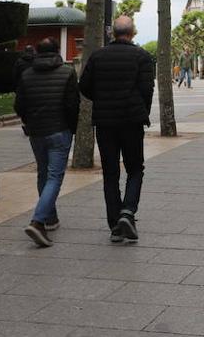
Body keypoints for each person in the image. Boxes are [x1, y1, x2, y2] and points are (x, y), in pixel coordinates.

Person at [79, 15, 154, 243]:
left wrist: (101, 99)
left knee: (110, 173)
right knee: (135, 168)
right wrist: (141, 111)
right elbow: (146, 90)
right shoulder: (142, 56)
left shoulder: (97, 56)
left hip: (105, 123)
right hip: (131, 121)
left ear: (113, 34)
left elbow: (84, 86)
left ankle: (115, 225)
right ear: (132, 33)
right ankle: (128, 212)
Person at [14, 37, 80, 248]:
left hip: (37, 132)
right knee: (54, 177)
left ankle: (50, 218)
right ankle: (38, 221)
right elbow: (72, 105)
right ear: (57, 50)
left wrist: (29, 122)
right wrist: (72, 128)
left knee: (43, 172)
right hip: (60, 130)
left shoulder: (26, 75)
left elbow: (19, 105)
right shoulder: (67, 73)